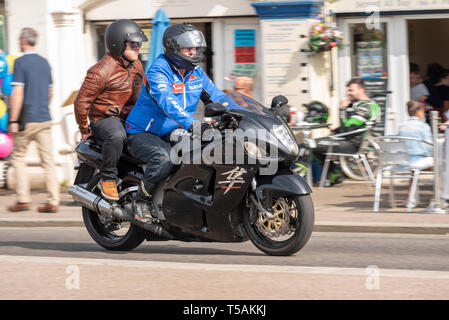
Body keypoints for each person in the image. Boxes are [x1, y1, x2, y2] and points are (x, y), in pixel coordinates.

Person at [125, 23, 228, 218]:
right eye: (188, 48)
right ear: (173, 48)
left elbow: (218, 96)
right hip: (143, 132)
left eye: (195, 48)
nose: (193, 52)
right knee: (163, 158)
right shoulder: (158, 71)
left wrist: (244, 112)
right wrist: (194, 125)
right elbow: (168, 103)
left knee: (205, 152)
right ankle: (141, 200)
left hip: (175, 130)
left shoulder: (196, 72)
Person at [74, 19, 147, 201]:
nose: (138, 47)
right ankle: (108, 179)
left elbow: (140, 94)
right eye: (133, 44)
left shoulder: (136, 65)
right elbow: (80, 102)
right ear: (118, 44)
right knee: (117, 135)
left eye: (139, 44)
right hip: (105, 119)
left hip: (129, 117)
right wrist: (85, 130)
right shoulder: (99, 71)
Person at [7, 27, 59, 213]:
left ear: (22, 41)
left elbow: (18, 92)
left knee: (18, 157)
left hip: (26, 118)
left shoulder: (20, 63)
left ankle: (23, 199)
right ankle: (53, 201)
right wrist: (42, 106)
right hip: (44, 117)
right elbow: (50, 92)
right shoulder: (45, 62)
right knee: (48, 161)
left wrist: (13, 120)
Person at [311, 78, 381, 185]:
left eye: (351, 90)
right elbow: (353, 127)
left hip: (351, 143)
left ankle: (332, 173)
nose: (348, 93)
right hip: (354, 140)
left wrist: (342, 109)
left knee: (310, 144)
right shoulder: (372, 104)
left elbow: (348, 127)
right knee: (315, 144)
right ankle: (334, 173)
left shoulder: (364, 107)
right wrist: (335, 131)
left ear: (361, 90)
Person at [398, 100, 433, 169]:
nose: (423, 113)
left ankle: (413, 177)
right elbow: (429, 146)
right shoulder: (424, 126)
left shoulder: (402, 126)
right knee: (440, 160)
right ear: (418, 111)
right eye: (423, 110)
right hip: (419, 161)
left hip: (403, 162)